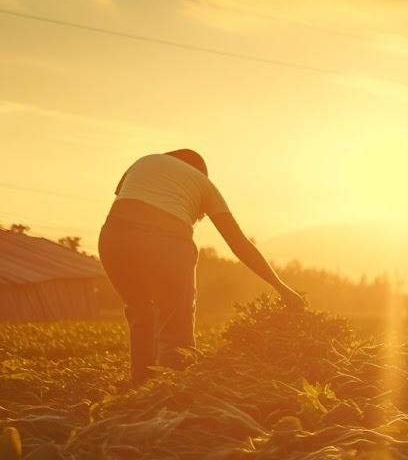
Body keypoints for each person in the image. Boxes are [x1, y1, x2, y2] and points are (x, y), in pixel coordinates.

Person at [98, 149, 305, 384]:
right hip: (167, 241)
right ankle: (171, 398)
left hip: (113, 239)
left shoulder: (145, 161)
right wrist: (281, 287)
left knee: (140, 312)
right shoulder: (205, 185)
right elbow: (239, 244)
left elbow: (124, 195)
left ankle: (140, 387)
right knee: (175, 327)